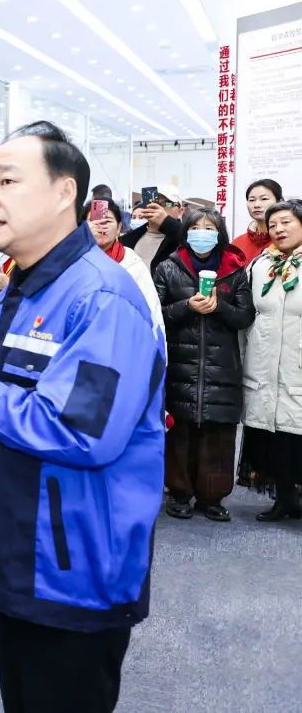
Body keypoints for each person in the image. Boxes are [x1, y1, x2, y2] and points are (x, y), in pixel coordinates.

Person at [0, 121, 164, 713]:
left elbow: (82, 430)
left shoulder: (101, 297)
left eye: (8, 182)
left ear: (65, 192)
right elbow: (15, 400)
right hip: (14, 550)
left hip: (72, 567)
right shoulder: (13, 291)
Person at [152, 208, 252, 521]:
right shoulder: (168, 267)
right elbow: (155, 313)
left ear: (219, 234)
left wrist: (219, 307)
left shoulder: (234, 269)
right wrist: (186, 306)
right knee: (179, 431)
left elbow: (244, 316)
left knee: (217, 433)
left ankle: (212, 498)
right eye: (196, 227)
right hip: (180, 362)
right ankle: (179, 493)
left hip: (222, 365)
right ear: (186, 232)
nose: (202, 233)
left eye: (210, 228)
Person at [240, 199, 302, 522]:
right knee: (277, 436)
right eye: (273, 224)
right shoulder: (260, 265)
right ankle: (284, 499)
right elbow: (246, 316)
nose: (278, 229)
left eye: (286, 222)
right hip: (265, 362)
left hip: (297, 362)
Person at [86, 200, 164, 333]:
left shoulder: (132, 262)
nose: (101, 226)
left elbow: (152, 309)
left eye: (107, 221)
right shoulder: (73, 260)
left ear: (119, 228)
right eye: (94, 221)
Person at [121, 184, 183, 270]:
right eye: (154, 203)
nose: (159, 208)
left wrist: (165, 222)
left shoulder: (184, 238)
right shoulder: (130, 238)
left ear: (180, 212)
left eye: (166, 204)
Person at [231, 178, 282, 263]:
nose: (256, 205)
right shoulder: (237, 244)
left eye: (264, 199)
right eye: (252, 200)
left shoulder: (287, 240)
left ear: (279, 202)